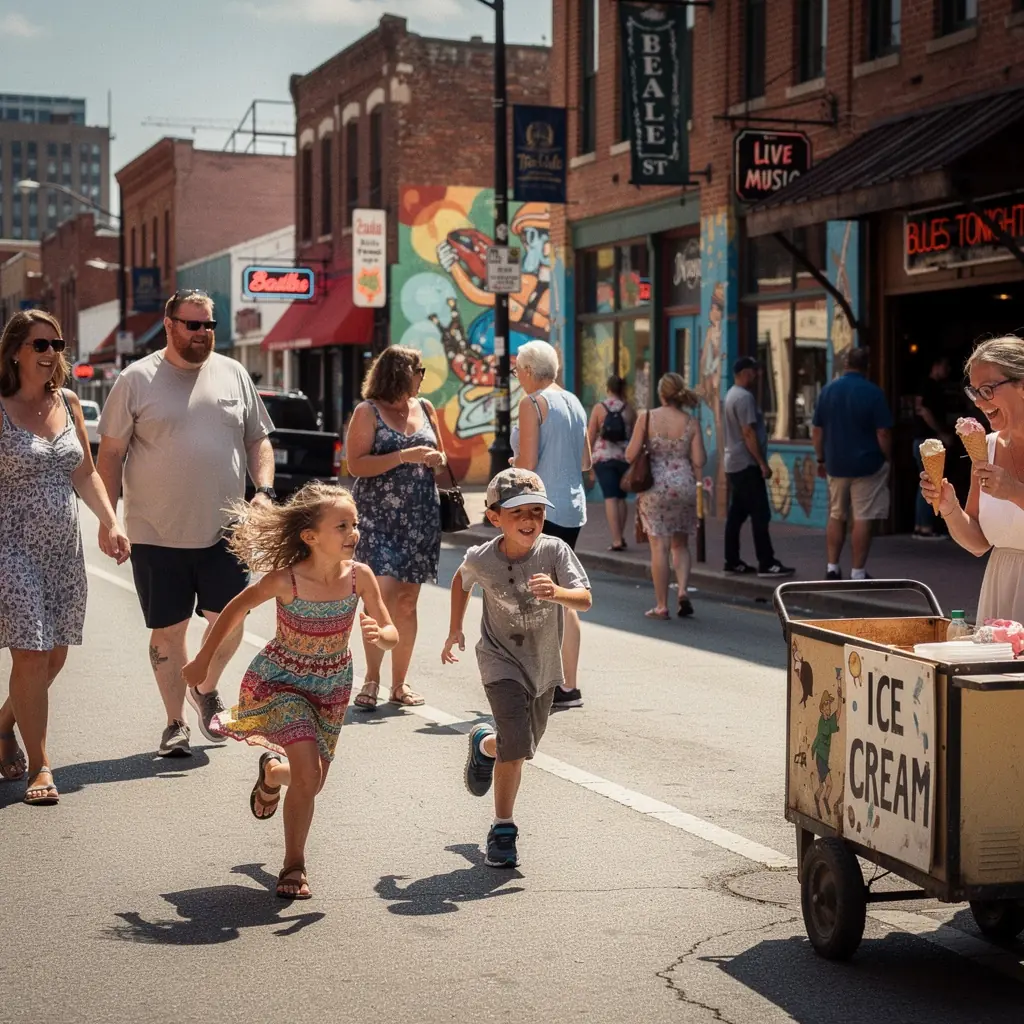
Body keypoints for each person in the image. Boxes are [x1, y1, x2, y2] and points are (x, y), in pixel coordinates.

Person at [183, 483, 397, 899]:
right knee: (308, 773)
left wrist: (383, 636)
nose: (353, 533)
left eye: (355, 524)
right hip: (282, 681)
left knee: (310, 782)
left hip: (332, 687)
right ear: (310, 536)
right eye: (342, 526)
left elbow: (388, 630)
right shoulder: (287, 580)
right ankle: (294, 865)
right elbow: (236, 607)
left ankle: (270, 773)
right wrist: (204, 659)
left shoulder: (361, 578)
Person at [96, 289, 275, 758]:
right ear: (170, 324)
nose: (202, 333)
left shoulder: (234, 373)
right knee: (169, 631)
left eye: (209, 325)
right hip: (156, 532)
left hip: (227, 528)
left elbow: (258, 439)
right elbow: (110, 454)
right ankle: (175, 722)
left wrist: (264, 491)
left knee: (231, 622)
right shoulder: (136, 380)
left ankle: (206, 686)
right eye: (193, 325)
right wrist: (108, 518)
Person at [0, 310, 130, 804]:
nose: (51, 352)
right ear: (16, 351)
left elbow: (85, 474)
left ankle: (3, 724)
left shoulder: (70, 402)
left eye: (56, 343)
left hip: (62, 550)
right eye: (40, 344)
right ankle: (40, 765)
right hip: (11, 548)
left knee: (54, 658)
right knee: (31, 655)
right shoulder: (1, 407)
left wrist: (110, 520)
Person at [442, 469, 591, 868]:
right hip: (499, 659)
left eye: (537, 512)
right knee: (517, 740)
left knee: (519, 747)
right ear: (494, 517)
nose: (529, 520)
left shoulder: (555, 551)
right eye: (518, 512)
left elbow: (584, 599)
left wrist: (558, 593)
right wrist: (456, 628)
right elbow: (460, 580)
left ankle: (483, 745)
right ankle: (503, 828)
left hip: (542, 665)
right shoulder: (481, 557)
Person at [345, 346, 445, 711]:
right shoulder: (367, 411)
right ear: (402, 373)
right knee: (379, 598)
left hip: (420, 517)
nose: (422, 377)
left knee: (407, 601)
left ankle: (399, 684)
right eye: (419, 370)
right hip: (377, 517)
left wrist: (436, 458)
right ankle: (371, 679)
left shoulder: (427, 409)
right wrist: (403, 456)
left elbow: (442, 455)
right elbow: (355, 465)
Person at [921, 336, 1024, 623]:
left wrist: (1015, 491)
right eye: (974, 392)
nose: (979, 402)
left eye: (988, 390)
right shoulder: (986, 450)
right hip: (1000, 589)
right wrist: (949, 507)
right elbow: (978, 543)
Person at [512, 340, 592, 709]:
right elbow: (586, 461)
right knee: (564, 597)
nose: (516, 375)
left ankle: (544, 681)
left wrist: (514, 465)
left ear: (529, 370)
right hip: (573, 507)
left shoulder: (532, 403)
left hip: (542, 508)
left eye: (517, 369)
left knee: (540, 594)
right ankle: (567, 685)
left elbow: (527, 464)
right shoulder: (574, 401)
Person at [628, 373, 706, 619]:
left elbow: (630, 455)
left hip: (655, 487)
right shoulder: (691, 421)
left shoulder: (647, 417)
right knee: (681, 544)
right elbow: (699, 460)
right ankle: (683, 590)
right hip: (684, 485)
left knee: (659, 547)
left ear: (661, 394)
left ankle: (662, 605)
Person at [812, 347, 892, 581]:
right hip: (868, 464)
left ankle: (832, 567)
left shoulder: (828, 391)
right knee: (863, 516)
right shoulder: (873, 393)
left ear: (846, 364)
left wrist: (820, 459)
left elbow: (817, 431)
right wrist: (888, 457)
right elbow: (883, 432)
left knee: (836, 514)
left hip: (835, 464)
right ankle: (857, 571)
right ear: (867, 367)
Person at [722, 357, 794, 578]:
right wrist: (762, 463)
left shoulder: (731, 395)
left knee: (737, 514)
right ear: (744, 372)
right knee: (760, 513)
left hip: (735, 462)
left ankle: (732, 560)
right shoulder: (744, 398)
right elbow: (748, 433)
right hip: (746, 464)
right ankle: (766, 562)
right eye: (754, 370)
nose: (757, 374)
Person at [587, 375, 635, 551]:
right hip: (624, 458)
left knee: (610, 497)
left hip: (603, 458)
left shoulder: (600, 408)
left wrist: (588, 461)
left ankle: (615, 540)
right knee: (621, 498)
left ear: (608, 389)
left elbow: (591, 435)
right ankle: (620, 536)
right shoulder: (629, 409)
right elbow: (635, 435)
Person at [912, 354, 952, 539]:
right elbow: (923, 409)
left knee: (926, 483)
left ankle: (921, 526)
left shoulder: (930, 386)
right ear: (936, 365)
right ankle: (926, 527)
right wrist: (940, 432)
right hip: (926, 441)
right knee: (931, 483)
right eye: (946, 365)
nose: (948, 370)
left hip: (922, 440)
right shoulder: (928, 385)